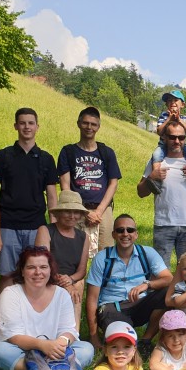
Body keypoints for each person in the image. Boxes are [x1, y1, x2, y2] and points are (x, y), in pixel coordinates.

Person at [0, 246, 95, 370]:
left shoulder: (61, 294)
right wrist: (42, 345)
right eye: (31, 267)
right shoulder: (10, 294)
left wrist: (61, 343)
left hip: (53, 351)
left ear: (50, 270)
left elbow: (68, 330)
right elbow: (12, 336)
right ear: (22, 271)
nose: (38, 272)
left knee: (87, 349)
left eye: (43, 267)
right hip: (19, 352)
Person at [84, 214, 173, 352]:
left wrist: (147, 285)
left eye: (130, 230)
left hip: (140, 304)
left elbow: (168, 278)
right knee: (123, 341)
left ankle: (146, 340)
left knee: (168, 292)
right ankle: (125, 334)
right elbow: (92, 298)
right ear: (113, 234)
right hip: (112, 307)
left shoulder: (147, 253)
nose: (125, 234)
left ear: (136, 234)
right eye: (120, 230)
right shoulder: (102, 258)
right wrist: (94, 336)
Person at [0, 107, 58, 292]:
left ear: (37, 126)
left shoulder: (46, 159)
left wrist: (52, 230)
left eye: (31, 123)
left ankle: (31, 317)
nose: (26, 127)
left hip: (37, 226)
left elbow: (52, 197)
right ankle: (2, 319)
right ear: (15, 126)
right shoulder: (3, 156)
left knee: (35, 275)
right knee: (8, 275)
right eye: (22, 123)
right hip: (8, 225)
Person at [138, 120, 186, 267]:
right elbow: (140, 192)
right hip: (163, 224)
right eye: (172, 137)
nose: (177, 141)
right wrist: (151, 177)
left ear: (185, 139)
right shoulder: (156, 161)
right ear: (165, 138)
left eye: (181, 138)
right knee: (161, 271)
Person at [57, 106, 121, 259]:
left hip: (102, 211)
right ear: (78, 124)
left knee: (106, 256)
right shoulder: (68, 152)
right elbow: (65, 185)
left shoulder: (106, 153)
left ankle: (102, 284)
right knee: (73, 255)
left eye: (93, 124)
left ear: (98, 127)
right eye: (85, 123)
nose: (89, 127)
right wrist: (81, 211)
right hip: (76, 210)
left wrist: (98, 212)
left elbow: (113, 183)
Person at [34, 190, 91, 332]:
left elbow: (82, 271)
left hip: (71, 280)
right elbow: (41, 264)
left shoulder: (83, 237)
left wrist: (70, 280)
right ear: (58, 213)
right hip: (47, 277)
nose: (72, 216)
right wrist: (65, 284)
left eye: (76, 212)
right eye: (67, 211)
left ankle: (73, 333)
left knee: (79, 284)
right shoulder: (45, 230)